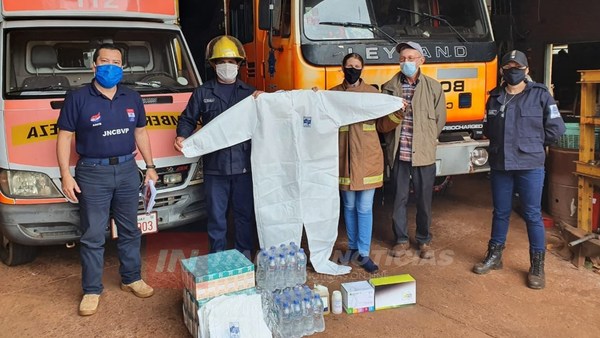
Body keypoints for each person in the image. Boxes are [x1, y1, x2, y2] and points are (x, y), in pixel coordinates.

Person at [56, 43, 159, 316]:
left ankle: (131, 278)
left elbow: (141, 133)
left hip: (127, 170)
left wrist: (150, 166)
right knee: (92, 235)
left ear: (122, 67)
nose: (110, 67)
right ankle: (91, 290)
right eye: (105, 61)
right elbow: (65, 137)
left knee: (130, 230)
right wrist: (66, 174)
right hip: (92, 173)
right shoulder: (78, 98)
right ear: (94, 66)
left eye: (116, 62)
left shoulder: (132, 97)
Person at [473, 50, 565, 289]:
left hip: (530, 165)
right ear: (502, 69)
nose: (512, 70)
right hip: (501, 163)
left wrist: (532, 145)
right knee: (500, 211)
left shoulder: (540, 95)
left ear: (526, 70)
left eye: (517, 66)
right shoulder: (494, 96)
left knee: (532, 214)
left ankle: (537, 265)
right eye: (508, 66)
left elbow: (556, 128)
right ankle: (495, 256)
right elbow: (487, 127)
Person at [174, 35, 259, 258]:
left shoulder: (250, 93)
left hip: (244, 166)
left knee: (244, 215)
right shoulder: (203, 93)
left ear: (239, 64)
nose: (227, 66)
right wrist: (182, 136)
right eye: (221, 61)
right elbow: (187, 119)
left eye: (232, 62)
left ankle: (244, 255)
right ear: (213, 64)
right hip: (214, 167)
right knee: (216, 216)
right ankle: (217, 257)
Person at [329, 53, 404, 273]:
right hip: (344, 159)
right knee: (349, 206)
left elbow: (382, 126)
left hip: (367, 158)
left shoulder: (373, 94)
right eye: (349, 65)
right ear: (342, 67)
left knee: (363, 208)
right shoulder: (332, 94)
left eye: (357, 66)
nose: (352, 69)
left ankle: (363, 253)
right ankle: (352, 249)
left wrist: (399, 113)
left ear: (363, 69)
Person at [382, 41, 446, 260]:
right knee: (399, 198)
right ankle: (400, 240)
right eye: (402, 59)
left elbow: (439, 120)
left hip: (423, 153)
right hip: (400, 152)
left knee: (423, 200)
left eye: (411, 58)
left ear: (421, 61)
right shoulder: (389, 87)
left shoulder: (433, 87)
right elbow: (384, 122)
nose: (406, 62)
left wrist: (426, 140)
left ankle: (424, 240)